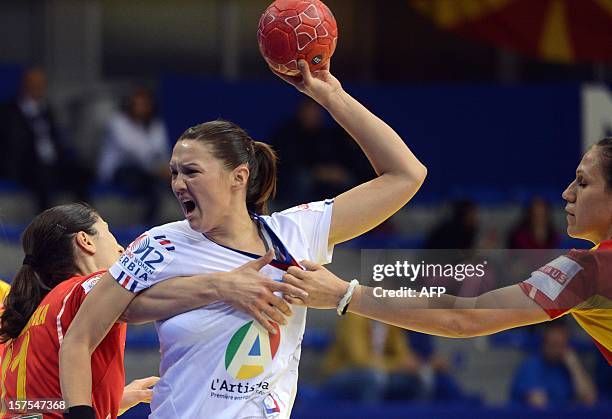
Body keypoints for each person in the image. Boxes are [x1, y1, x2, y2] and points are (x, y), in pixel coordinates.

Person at [59, 58, 427, 419]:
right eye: (173, 172)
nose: (177, 184)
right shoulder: (160, 245)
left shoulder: (292, 234)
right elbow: (79, 337)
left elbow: (406, 175)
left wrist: (332, 96)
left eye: (191, 171)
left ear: (238, 177)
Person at [282, 137, 612, 366]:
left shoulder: (590, 269)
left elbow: (463, 316)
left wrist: (344, 294)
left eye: (583, 183)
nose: (567, 193)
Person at [0, 203, 303, 418]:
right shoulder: (87, 287)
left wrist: (114, 401)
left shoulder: (23, 320)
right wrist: (225, 285)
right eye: (109, 234)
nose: (121, 249)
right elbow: (137, 302)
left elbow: (35, 406)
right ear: (85, 241)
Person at [0, 67, 92, 211]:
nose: (38, 87)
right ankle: (46, 226)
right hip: (28, 164)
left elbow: (57, 140)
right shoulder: (10, 111)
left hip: (53, 162)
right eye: (34, 83)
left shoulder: (48, 109)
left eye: (41, 84)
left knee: (81, 172)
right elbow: (13, 145)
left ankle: (84, 219)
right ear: (25, 85)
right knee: (42, 177)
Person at [98, 87, 170, 224]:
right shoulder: (118, 122)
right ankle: (146, 227)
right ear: (130, 105)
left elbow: (162, 150)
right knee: (151, 184)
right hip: (120, 169)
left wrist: (167, 168)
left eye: (145, 104)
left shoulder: (155, 124)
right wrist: (158, 169)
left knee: (167, 183)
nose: (141, 108)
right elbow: (133, 151)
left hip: (149, 170)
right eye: (138, 104)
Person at [510, 320, 597, 408]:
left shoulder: (567, 366)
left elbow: (589, 399)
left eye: (561, 345)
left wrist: (574, 366)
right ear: (544, 343)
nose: (557, 350)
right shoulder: (531, 366)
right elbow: (539, 405)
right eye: (553, 344)